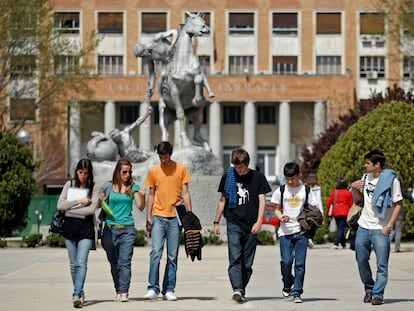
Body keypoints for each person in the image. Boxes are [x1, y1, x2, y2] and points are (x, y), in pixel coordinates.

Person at [213, 148, 271, 303]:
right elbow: (222, 201)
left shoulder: (258, 177)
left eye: (241, 167)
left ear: (247, 164)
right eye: (236, 167)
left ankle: (240, 288)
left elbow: (262, 201)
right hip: (233, 221)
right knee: (235, 258)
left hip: (252, 224)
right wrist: (216, 222)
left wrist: (259, 221)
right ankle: (237, 289)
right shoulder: (228, 177)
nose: (239, 170)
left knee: (247, 262)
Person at [351, 150, 403, 305]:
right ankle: (369, 288)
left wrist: (389, 226)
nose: (365, 165)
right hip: (364, 226)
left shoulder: (392, 181)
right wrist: (354, 188)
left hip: (381, 228)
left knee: (382, 264)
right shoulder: (365, 178)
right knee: (361, 260)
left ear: (377, 164)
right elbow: (361, 200)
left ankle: (378, 294)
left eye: (368, 163)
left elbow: (398, 205)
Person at [143, 141, 193, 301]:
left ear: (170, 154)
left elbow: (185, 193)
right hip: (158, 216)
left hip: (175, 218)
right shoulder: (153, 171)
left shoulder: (181, 169)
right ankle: (152, 288)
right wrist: (148, 216)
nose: (163, 160)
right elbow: (151, 194)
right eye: (160, 157)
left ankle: (169, 289)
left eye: (165, 156)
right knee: (155, 253)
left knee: (172, 255)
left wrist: (190, 214)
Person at [270, 162, 318, 303]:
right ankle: (287, 283)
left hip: (301, 231)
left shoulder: (306, 190)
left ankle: (296, 292)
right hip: (285, 232)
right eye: (288, 178)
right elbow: (277, 209)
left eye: (293, 178)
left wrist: (309, 221)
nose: (290, 181)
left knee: (300, 264)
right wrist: (281, 217)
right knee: (286, 261)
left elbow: (313, 209)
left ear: (298, 175)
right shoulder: (281, 190)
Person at [100, 158, 146, 302]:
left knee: (125, 262)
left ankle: (124, 291)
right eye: (124, 172)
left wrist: (143, 196)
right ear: (118, 172)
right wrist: (97, 199)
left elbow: (141, 206)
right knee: (114, 263)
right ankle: (118, 289)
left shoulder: (133, 187)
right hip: (109, 229)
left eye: (130, 172)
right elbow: (98, 203)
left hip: (127, 229)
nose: (127, 174)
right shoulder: (107, 186)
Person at [57, 159, 99, 308]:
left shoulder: (94, 187)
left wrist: (70, 209)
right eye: (80, 172)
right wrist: (77, 201)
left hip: (86, 230)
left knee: (81, 263)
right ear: (76, 171)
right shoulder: (69, 184)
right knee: (74, 264)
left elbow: (91, 209)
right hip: (69, 229)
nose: (83, 176)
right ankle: (80, 292)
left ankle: (76, 293)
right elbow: (60, 205)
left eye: (86, 173)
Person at [326, 177, 354, 249]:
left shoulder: (334, 192)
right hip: (345, 212)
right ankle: (336, 242)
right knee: (341, 228)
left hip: (336, 212)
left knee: (339, 227)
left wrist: (328, 211)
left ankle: (343, 243)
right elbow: (351, 204)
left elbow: (329, 202)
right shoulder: (348, 193)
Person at [305, 173, 323, 248]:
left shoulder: (317, 188)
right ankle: (308, 238)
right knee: (310, 225)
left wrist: (321, 211)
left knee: (312, 225)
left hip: (312, 209)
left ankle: (309, 238)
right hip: (309, 209)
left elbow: (319, 200)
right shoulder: (304, 187)